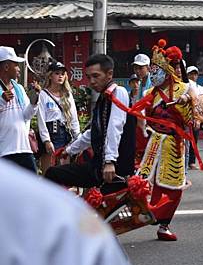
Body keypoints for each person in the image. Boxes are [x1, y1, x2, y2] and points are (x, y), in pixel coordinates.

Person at [0, 160, 141, 265]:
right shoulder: (63, 212)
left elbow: (112, 133)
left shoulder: (63, 214)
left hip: (106, 168)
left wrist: (109, 161)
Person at [137, 39, 201, 240]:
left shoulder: (184, 88)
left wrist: (187, 100)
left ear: (167, 71)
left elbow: (198, 104)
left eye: (156, 70)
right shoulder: (150, 93)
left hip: (174, 143)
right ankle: (147, 211)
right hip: (153, 142)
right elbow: (139, 111)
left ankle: (164, 223)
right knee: (145, 182)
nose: (153, 74)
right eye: (152, 70)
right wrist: (142, 127)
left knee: (173, 184)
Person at [45, 54, 136, 191]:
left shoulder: (119, 92)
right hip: (99, 164)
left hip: (114, 167)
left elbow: (114, 127)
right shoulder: (103, 97)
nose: (92, 81)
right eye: (89, 77)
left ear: (109, 74)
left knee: (52, 174)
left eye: (96, 76)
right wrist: (69, 150)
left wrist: (110, 161)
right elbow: (93, 132)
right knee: (54, 173)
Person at [0, 46, 41, 173]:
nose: (18, 69)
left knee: (32, 185)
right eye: (16, 65)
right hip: (4, 150)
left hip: (23, 148)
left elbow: (26, 115)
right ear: (6, 67)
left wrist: (34, 101)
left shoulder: (19, 89)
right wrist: (1, 100)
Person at [37, 61, 81, 173]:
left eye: (63, 73)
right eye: (57, 73)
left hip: (64, 133)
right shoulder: (43, 94)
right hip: (50, 132)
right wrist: (46, 140)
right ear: (50, 75)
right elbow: (41, 119)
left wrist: (78, 138)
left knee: (63, 171)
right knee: (48, 172)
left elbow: (73, 118)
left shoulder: (67, 94)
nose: (60, 76)